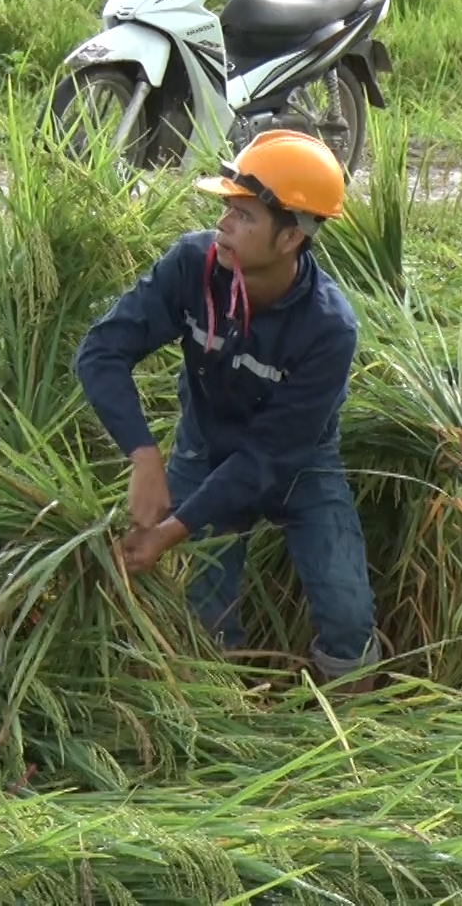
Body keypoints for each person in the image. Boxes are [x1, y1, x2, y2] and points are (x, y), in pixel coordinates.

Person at [75, 131, 378, 688]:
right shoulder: (194, 267)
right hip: (205, 445)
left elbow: (270, 456)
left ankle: (354, 739)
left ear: (291, 238)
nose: (224, 225)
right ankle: (225, 723)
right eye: (225, 209)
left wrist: (173, 528)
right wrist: (144, 454)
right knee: (202, 621)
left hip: (298, 466)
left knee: (347, 613)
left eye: (243, 216)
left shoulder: (328, 328)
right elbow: (100, 351)